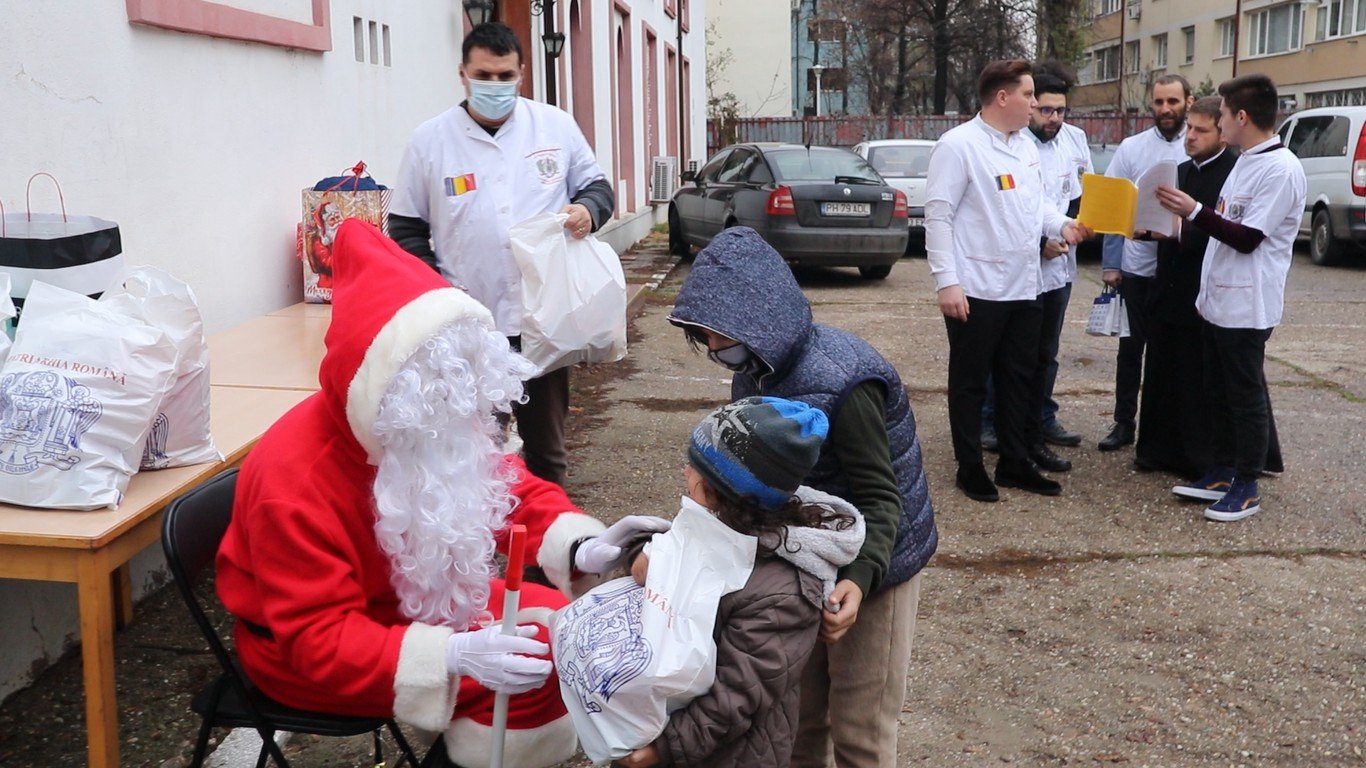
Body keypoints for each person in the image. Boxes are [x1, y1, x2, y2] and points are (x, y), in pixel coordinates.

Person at [216, 220, 667, 768]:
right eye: (440, 387)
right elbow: (316, 641)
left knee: (571, 627)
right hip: (307, 657)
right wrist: (452, 658)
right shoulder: (294, 481)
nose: (459, 405)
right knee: (529, 672)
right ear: (391, 391)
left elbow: (510, 492)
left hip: (413, 607)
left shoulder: (427, 425)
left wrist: (578, 547)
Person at [668, 227, 937, 768]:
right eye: (704, 337)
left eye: (718, 335)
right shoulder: (756, 370)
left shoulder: (848, 380)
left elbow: (885, 500)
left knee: (861, 732)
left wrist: (860, 583)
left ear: (757, 317)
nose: (715, 350)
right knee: (797, 721)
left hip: (876, 565)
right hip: (805, 559)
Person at [388, 21, 615, 486]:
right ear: (462, 74)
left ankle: (545, 553)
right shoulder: (430, 141)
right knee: (477, 453)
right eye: (483, 76)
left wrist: (589, 211)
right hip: (470, 326)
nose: (494, 86)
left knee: (547, 452)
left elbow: (597, 188)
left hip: (543, 323)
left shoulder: (555, 126)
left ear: (521, 74)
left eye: (504, 76)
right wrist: (439, 291)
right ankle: (486, 548)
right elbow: (406, 228)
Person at [615, 397, 865, 768]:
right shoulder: (715, 526)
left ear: (719, 493)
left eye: (695, 469)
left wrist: (664, 749)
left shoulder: (783, 593)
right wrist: (640, 552)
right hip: (667, 723)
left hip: (731, 754)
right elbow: (670, 542)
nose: (685, 471)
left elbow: (738, 695)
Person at [924, 59, 1091, 502]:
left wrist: (1064, 227)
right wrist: (947, 282)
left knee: (1020, 377)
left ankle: (1015, 462)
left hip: (1024, 284)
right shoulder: (958, 146)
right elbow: (938, 217)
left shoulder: (1026, 147)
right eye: (1029, 95)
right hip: (976, 287)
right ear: (1003, 97)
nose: (1035, 103)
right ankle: (970, 466)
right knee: (971, 380)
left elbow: (1038, 208)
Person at [1156, 74, 1304, 522]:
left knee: (1244, 396)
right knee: (1215, 390)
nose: (1216, 121)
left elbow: (1247, 238)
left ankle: (1247, 482)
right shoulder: (1245, 161)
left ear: (1241, 117)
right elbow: (1226, 220)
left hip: (1248, 303)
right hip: (1217, 300)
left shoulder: (1281, 169)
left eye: (1220, 115)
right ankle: (1221, 469)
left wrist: (1193, 211)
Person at [981, 65, 1092, 464]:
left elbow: (1080, 194)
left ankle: (1040, 419)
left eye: (1061, 111)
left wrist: (1079, 225)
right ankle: (993, 421)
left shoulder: (1074, 139)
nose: (1054, 119)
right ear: (1028, 107)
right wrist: (1039, 242)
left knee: (1046, 351)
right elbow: (1002, 210)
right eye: (1045, 110)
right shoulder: (1012, 144)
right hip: (1022, 268)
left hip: (1061, 265)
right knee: (1010, 352)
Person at [1136, 97, 1245, 478]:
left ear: (1222, 133)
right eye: (1189, 130)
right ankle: (1156, 451)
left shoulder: (1233, 173)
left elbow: (1228, 230)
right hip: (1167, 284)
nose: (1191, 137)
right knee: (1163, 371)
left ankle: (1197, 458)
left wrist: (1184, 228)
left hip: (1203, 288)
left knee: (1196, 380)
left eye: (1201, 130)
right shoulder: (1177, 171)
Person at [1097, 74, 1193, 452]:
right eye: (1159, 102)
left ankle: (1164, 428)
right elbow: (1111, 205)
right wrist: (1111, 264)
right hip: (1136, 267)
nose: (1165, 109)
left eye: (1173, 101)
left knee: (1171, 352)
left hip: (1179, 268)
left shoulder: (1196, 144)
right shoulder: (1132, 148)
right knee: (1130, 349)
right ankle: (1124, 423)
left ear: (1188, 100)